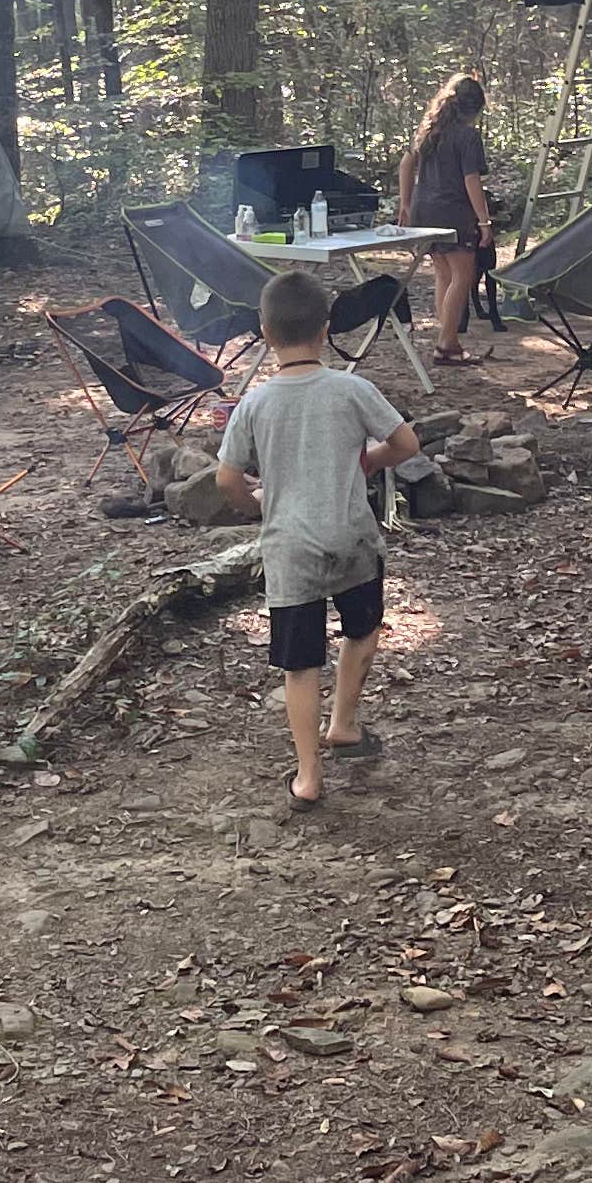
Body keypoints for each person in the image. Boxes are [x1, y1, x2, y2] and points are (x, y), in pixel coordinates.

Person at [211, 267, 421, 805]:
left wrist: (255, 503)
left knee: (300, 664)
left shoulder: (254, 403)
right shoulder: (352, 389)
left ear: (264, 330)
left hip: (290, 547)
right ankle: (345, 721)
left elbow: (226, 479)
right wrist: (369, 462)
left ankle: (307, 774)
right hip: (352, 536)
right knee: (364, 628)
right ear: (326, 329)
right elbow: (406, 443)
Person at [401, 70, 495, 363]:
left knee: (444, 273)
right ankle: (445, 344)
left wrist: (405, 203)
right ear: (475, 107)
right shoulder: (467, 136)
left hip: (423, 208)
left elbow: (406, 163)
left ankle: (449, 339)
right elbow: (471, 179)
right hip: (452, 211)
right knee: (463, 275)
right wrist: (484, 222)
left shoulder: (429, 130)